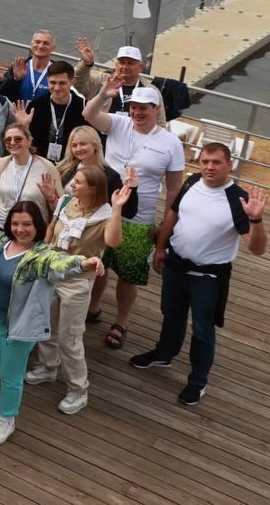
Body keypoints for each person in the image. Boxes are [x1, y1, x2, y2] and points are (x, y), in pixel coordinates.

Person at [130, 145, 266, 405]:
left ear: (230, 165)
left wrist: (256, 221)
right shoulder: (192, 181)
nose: (209, 167)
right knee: (171, 314)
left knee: (203, 329)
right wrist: (160, 248)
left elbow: (257, 249)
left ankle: (198, 380)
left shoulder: (238, 199)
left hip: (208, 277)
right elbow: (173, 214)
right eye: (205, 161)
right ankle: (164, 354)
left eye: (216, 162)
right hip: (175, 266)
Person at [0, 202, 103, 444]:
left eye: (27, 224)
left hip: (18, 326)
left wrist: (83, 263)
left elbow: (59, 264)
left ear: (38, 225)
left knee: (10, 374)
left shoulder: (41, 255)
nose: (20, 229)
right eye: (15, 223)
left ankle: (7, 418)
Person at [83, 80, 185, 350]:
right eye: (134, 107)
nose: (137, 112)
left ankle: (121, 321)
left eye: (144, 108)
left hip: (139, 218)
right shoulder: (118, 122)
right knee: (99, 263)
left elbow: (174, 188)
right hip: (104, 209)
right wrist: (103, 94)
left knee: (128, 274)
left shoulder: (171, 143)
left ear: (156, 109)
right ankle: (93, 307)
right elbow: (88, 115)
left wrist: (167, 224)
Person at [26, 168, 127, 414]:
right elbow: (52, 229)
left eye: (78, 182)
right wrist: (43, 252)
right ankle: (48, 367)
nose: (72, 184)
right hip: (52, 272)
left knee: (70, 337)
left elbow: (113, 242)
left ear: (93, 188)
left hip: (78, 280)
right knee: (47, 325)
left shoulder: (104, 215)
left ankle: (79, 390)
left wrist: (117, 209)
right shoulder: (65, 202)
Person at [0, 123, 59, 245]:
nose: (12, 142)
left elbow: (59, 208)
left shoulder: (46, 167)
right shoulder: (1, 165)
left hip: (32, 229)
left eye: (18, 139)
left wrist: (51, 198)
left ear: (29, 141)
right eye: (8, 140)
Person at [12, 61, 86, 162]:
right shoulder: (36, 106)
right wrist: (24, 127)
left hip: (71, 164)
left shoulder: (83, 106)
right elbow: (25, 143)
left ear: (71, 82)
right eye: (53, 82)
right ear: (47, 81)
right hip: (39, 162)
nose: (57, 88)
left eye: (62, 83)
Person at [0, 29, 57, 103]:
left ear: (53, 48)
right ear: (31, 45)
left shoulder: (58, 72)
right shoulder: (18, 67)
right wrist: (15, 80)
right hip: (15, 110)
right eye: (37, 42)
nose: (40, 46)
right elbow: (0, 93)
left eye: (46, 43)